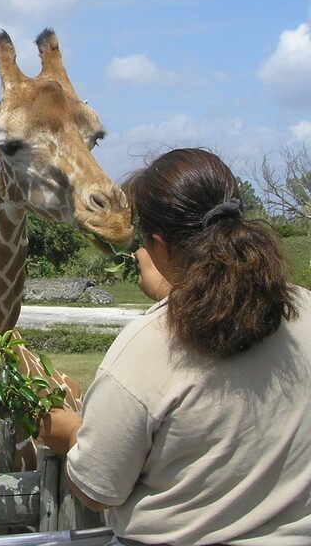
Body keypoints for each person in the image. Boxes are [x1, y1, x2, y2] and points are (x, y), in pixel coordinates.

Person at [38, 148, 311, 545]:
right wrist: (172, 293)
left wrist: (71, 435)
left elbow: (97, 491)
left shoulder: (144, 350)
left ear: (158, 245)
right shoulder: (302, 307)